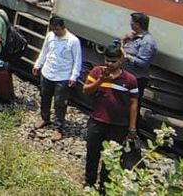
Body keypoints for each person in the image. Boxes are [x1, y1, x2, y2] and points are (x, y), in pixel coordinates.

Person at [82, 44, 139, 191]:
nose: (109, 64)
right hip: (97, 121)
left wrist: (132, 127)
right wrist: (100, 80)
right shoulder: (96, 72)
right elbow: (86, 90)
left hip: (118, 126)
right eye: (107, 60)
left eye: (113, 61)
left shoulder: (130, 79)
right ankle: (89, 182)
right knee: (92, 153)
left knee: (111, 157)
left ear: (121, 60)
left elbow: (134, 103)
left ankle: (104, 186)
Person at [32, 17, 82, 141]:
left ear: (62, 27)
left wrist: (74, 76)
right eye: (53, 29)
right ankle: (45, 118)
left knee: (60, 103)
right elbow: (44, 52)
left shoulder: (73, 41)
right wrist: (38, 64)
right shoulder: (50, 36)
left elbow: (77, 60)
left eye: (57, 29)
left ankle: (59, 127)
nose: (56, 32)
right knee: (45, 97)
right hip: (47, 72)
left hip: (62, 76)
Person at [121, 12, 157, 114]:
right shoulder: (133, 36)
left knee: (132, 104)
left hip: (137, 78)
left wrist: (127, 56)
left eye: (132, 23)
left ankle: (132, 126)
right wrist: (123, 40)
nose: (130, 25)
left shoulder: (147, 42)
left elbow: (143, 63)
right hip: (126, 75)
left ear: (138, 24)